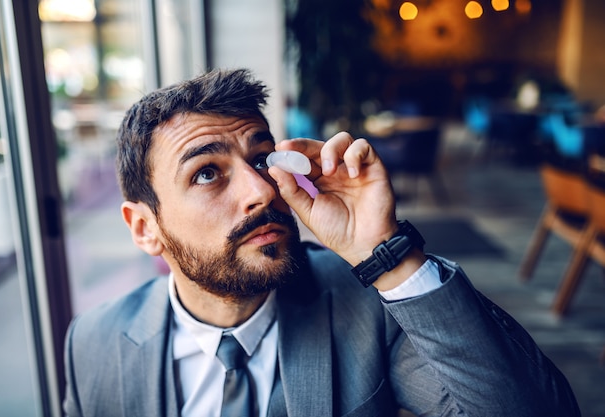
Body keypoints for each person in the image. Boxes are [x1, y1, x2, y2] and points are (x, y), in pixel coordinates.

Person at [63, 68, 580, 417]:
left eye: (261, 158)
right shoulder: (93, 344)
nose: (263, 189)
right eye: (205, 174)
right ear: (143, 227)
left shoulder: (373, 308)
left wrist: (388, 252)